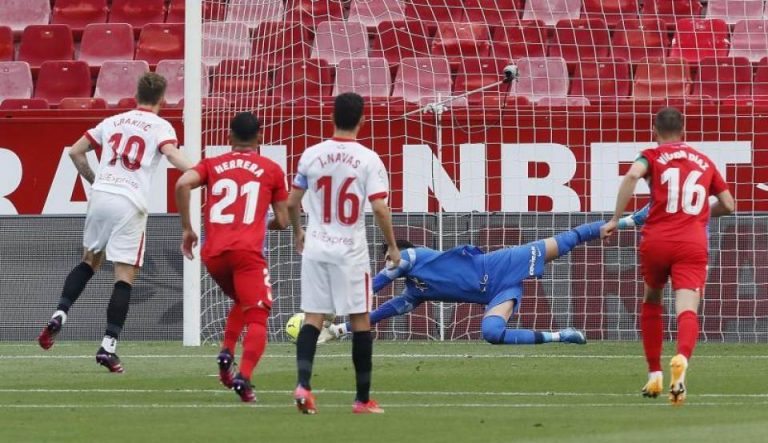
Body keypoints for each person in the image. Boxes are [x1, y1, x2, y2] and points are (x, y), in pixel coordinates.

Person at [37, 73, 192, 372]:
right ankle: (108, 346)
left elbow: (75, 151)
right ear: (162, 98)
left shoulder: (114, 121)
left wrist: (95, 180)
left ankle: (60, 313)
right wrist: (202, 172)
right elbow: (172, 155)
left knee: (89, 261)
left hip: (101, 195)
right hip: (129, 202)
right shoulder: (161, 126)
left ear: (136, 94)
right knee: (124, 275)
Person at [602, 107, 734, 405]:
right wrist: (701, 215)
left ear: (654, 130)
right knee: (687, 308)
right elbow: (729, 204)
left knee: (652, 299)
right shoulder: (705, 161)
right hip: (692, 242)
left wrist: (614, 219)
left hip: (657, 240)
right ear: (683, 130)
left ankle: (653, 374)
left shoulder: (650, 155)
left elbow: (633, 175)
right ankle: (682, 363)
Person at [287, 92, 400, 415]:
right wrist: (392, 245)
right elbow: (379, 207)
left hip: (317, 246)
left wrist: (298, 232)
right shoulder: (368, 159)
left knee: (313, 318)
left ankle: (303, 385)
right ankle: (363, 399)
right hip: (350, 251)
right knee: (360, 319)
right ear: (362, 120)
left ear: (332, 117)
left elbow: (293, 202)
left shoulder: (311, 154)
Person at [175, 112, 289, 403]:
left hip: (214, 255)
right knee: (259, 317)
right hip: (248, 254)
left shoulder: (212, 164)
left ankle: (227, 351)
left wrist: (188, 230)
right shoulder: (271, 169)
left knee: (241, 299)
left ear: (228, 137)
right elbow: (284, 221)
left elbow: (181, 185)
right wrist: (261, 224)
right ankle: (245, 378)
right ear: (260, 137)